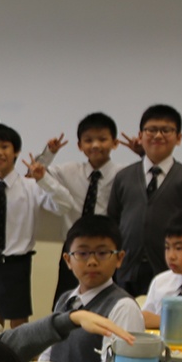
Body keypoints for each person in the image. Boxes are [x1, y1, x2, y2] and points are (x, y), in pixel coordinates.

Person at [105, 105, 182, 295]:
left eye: (166, 130)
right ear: (140, 135)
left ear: (179, 138)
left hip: (172, 272)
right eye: (151, 130)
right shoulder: (123, 177)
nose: (158, 135)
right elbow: (113, 221)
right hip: (127, 269)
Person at [30, 111, 132, 305]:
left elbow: (146, 176)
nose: (95, 145)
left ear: (115, 143)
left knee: (106, 303)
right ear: (79, 145)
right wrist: (49, 153)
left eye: (102, 139)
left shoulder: (124, 173)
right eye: (88, 140)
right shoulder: (68, 171)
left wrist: (142, 152)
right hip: (75, 249)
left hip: (106, 248)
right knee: (67, 302)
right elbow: (35, 173)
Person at [18, 215, 145, 362]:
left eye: (102, 253)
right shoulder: (65, 300)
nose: (92, 262)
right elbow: (47, 356)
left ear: (119, 258)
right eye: (82, 253)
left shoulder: (123, 307)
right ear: (68, 260)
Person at [0, 124, 54, 328]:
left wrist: (45, 180)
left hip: (15, 266)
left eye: (4, 147)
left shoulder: (31, 187)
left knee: (18, 326)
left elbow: (62, 206)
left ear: (16, 152)